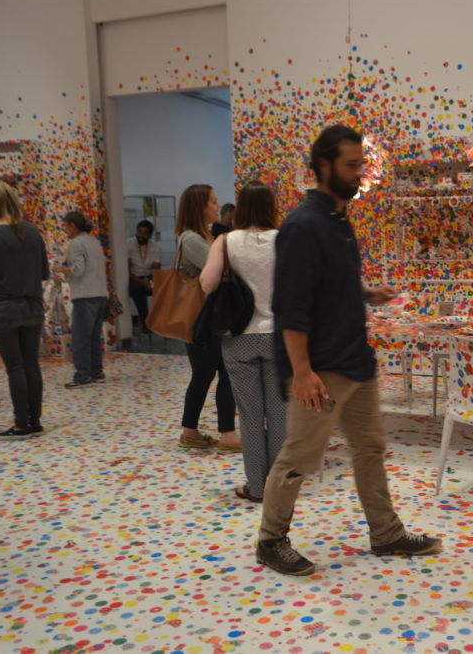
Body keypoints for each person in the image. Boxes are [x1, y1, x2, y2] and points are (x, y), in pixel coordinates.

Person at [256, 125, 440, 576]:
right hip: (322, 368)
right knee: (299, 457)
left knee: (371, 448)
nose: (360, 174)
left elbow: (327, 284)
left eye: (362, 164)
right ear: (323, 166)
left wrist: (365, 292)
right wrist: (301, 370)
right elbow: (290, 308)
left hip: (356, 360)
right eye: (351, 165)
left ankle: (386, 533)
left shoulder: (338, 220)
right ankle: (270, 540)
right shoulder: (302, 226)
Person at [200, 181, 284, 503]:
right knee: (279, 416)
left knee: (249, 417)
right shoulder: (284, 240)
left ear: (242, 207)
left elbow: (207, 284)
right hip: (278, 337)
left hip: (239, 340)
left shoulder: (225, 241)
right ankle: (278, 488)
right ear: (270, 207)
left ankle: (257, 488)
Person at [0, 179, 50, 440]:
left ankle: (21, 424)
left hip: (2, 308)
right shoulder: (32, 231)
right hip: (32, 307)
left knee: (15, 367)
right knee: (31, 364)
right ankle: (35, 421)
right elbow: (44, 272)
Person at [176, 184, 238, 452]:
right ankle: (227, 435)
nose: (217, 205)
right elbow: (220, 271)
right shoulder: (190, 239)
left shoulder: (207, 235)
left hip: (209, 317)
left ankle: (191, 431)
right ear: (199, 207)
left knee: (205, 374)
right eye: (212, 202)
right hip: (201, 318)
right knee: (220, 372)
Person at [55, 212, 108, 388]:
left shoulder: (76, 244)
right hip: (100, 293)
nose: (64, 231)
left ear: (73, 226)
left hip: (85, 295)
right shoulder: (94, 242)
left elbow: (78, 270)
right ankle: (96, 371)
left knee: (80, 338)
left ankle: (83, 374)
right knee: (93, 336)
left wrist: (60, 269)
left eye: (65, 226)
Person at [126, 219, 161, 332]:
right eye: (139, 232)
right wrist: (143, 283)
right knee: (136, 289)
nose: (141, 235)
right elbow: (126, 271)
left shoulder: (155, 247)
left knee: (164, 288)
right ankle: (145, 321)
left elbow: (156, 271)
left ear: (150, 234)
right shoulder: (129, 244)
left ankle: (163, 320)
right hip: (134, 278)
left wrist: (152, 283)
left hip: (149, 277)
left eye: (145, 233)